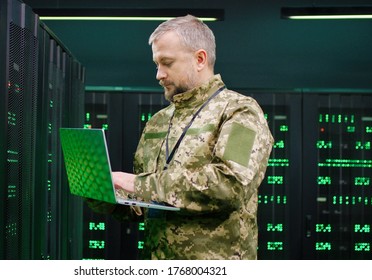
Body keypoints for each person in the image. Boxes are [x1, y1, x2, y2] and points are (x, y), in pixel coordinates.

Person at [90, 14, 274, 260]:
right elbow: (142, 206)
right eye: (156, 64)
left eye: (167, 63)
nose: (159, 74)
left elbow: (229, 186)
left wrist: (135, 183)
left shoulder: (241, 111)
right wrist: (104, 195)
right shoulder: (158, 121)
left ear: (200, 59)